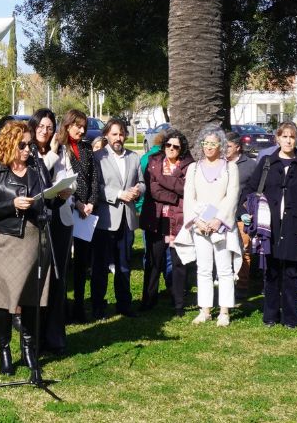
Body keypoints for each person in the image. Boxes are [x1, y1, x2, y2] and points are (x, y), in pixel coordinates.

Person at [0, 120, 58, 382]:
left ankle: (28, 347)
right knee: (4, 299)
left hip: (34, 239)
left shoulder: (37, 169)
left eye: (29, 145)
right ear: (10, 144)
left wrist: (55, 198)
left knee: (31, 296)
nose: (28, 149)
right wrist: (13, 204)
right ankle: (4, 350)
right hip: (7, 240)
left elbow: (47, 197)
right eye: (23, 145)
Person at [252, 122, 297, 328]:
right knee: (271, 272)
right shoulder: (266, 163)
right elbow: (251, 190)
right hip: (269, 225)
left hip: (294, 226)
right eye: (284, 136)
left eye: (292, 137)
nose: (288, 140)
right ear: (277, 139)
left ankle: (290, 317)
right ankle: (270, 315)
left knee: (291, 273)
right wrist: (246, 213)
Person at [177, 125, 240, 326]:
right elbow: (189, 197)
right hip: (200, 225)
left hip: (221, 225)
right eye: (206, 143)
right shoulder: (193, 168)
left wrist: (217, 220)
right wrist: (197, 220)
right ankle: (204, 310)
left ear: (221, 145)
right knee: (203, 268)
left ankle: (224, 311)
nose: (209, 147)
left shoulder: (230, 168)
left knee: (224, 268)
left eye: (213, 143)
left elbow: (232, 196)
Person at [90, 118, 143, 319]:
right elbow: (97, 188)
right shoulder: (98, 157)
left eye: (121, 134)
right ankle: (98, 306)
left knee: (124, 265)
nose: (118, 138)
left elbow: (141, 182)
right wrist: (119, 194)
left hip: (127, 219)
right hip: (105, 219)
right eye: (114, 134)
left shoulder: (134, 157)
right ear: (106, 136)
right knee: (100, 266)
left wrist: (138, 190)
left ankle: (124, 304)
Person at [28, 109, 69, 353]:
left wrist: (67, 189)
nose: (45, 131)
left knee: (58, 279)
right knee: (39, 280)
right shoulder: (28, 150)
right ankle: (35, 336)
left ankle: (55, 336)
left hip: (60, 218)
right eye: (41, 126)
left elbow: (65, 175)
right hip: (38, 220)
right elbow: (38, 179)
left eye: (50, 126)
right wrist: (52, 153)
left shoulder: (61, 150)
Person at [140, 129, 194, 316]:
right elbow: (153, 190)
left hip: (178, 220)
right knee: (154, 261)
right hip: (156, 218)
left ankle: (178, 303)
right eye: (168, 145)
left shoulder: (189, 165)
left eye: (175, 146)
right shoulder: (154, 161)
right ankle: (149, 299)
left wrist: (162, 180)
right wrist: (176, 194)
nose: (171, 149)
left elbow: (187, 189)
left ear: (182, 149)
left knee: (178, 263)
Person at [56, 109, 97, 323]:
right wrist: (78, 203)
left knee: (82, 263)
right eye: (77, 126)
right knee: (64, 263)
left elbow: (93, 180)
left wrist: (91, 203)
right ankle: (62, 309)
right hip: (67, 208)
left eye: (84, 127)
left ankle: (79, 307)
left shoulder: (87, 149)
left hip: (85, 214)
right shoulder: (60, 149)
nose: (81, 130)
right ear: (67, 125)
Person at [225, 131, 256, 298]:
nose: (225, 149)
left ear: (238, 147)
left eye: (228, 146)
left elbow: (256, 191)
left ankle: (242, 286)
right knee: (225, 250)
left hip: (241, 216)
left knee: (244, 250)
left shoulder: (250, 165)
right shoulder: (219, 163)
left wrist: (247, 211)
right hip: (222, 216)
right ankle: (225, 283)